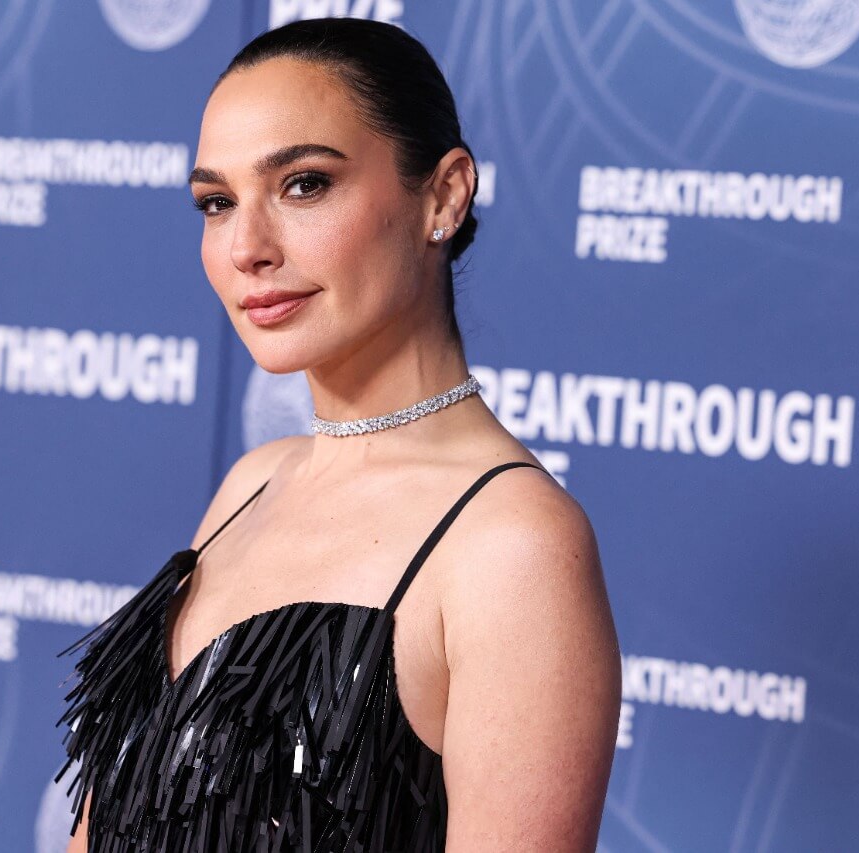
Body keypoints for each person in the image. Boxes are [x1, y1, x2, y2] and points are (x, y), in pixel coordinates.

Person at [56, 17, 620, 852]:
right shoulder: (252, 482)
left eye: (305, 184)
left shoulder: (515, 547)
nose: (246, 247)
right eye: (217, 202)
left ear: (444, 195)